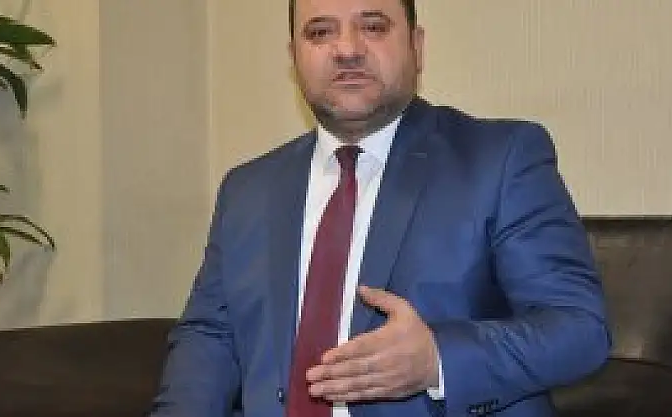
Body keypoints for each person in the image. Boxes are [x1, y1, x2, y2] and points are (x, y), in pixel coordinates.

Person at [149, 0, 610, 416]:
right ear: (294, 58)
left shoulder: (500, 159)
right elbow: (209, 339)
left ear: (416, 46)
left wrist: (437, 360)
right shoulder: (247, 189)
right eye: (320, 32)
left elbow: (579, 329)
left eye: (372, 26)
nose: (347, 49)